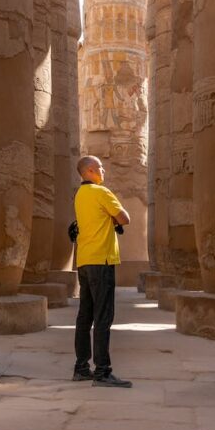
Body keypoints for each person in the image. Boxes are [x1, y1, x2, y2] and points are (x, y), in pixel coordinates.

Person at [72, 155, 133, 388]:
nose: (103, 170)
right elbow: (124, 218)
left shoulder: (79, 195)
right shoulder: (101, 192)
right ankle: (103, 371)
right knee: (103, 317)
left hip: (85, 260)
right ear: (88, 170)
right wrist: (114, 219)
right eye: (99, 167)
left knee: (84, 316)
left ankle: (81, 367)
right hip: (102, 260)